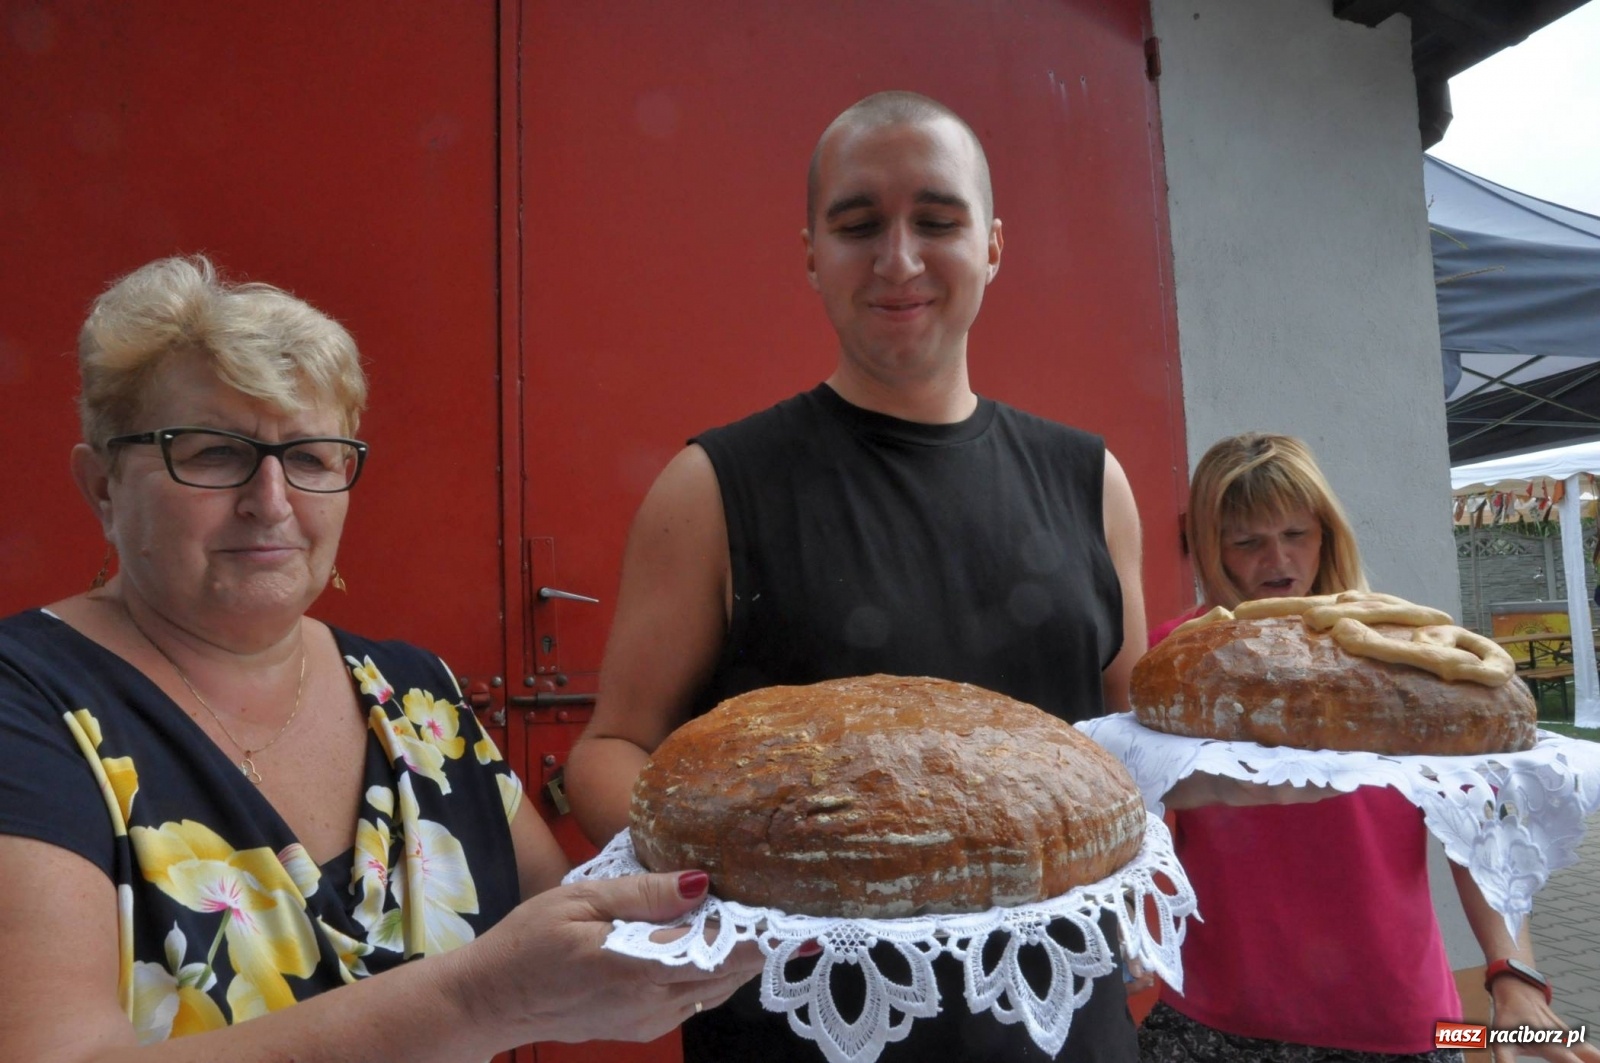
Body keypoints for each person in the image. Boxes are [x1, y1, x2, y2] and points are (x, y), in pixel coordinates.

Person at [0, 256, 762, 1061]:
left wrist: (766, 890)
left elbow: (571, 918)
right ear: (102, 487)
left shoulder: (415, 698)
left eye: (311, 456)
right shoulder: (28, 705)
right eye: (214, 453)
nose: (271, 500)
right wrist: (481, 1001)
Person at [564, 91, 1147, 1061]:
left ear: (993, 243)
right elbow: (613, 744)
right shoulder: (713, 486)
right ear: (810, 253)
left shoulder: (1091, 481)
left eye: (937, 219)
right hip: (803, 1029)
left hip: (1065, 1026)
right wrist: (753, 872)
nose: (899, 258)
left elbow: (1126, 744)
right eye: (857, 224)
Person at [1139, 433, 1600, 1063]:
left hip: (1402, 1023)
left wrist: (1512, 978)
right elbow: (1142, 823)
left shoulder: (1408, 659)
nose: (1277, 559)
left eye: (1296, 533)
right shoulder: (1183, 663)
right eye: (1247, 541)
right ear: (1212, 549)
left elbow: (1477, 829)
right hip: (1211, 1017)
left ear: (1326, 534)